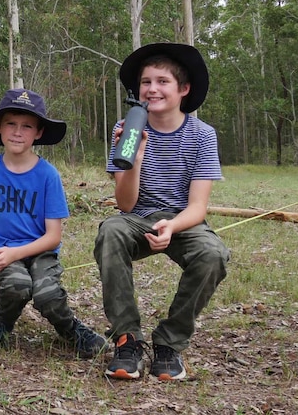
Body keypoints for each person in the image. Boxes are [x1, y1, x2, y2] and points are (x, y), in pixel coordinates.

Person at [95, 43, 230, 381]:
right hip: (136, 216)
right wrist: (135, 152)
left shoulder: (202, 135)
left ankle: (169, 343)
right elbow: (125, 204)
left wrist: (171, 225)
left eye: (162, 81)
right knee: (110, 230)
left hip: (181, 219)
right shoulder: (126, 128)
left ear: (183, 89)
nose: (152, 89)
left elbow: (198, 206)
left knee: (213, 254)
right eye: (145, 82)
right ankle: (128, 339)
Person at [0, 89, 106, 358]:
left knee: (47, 294)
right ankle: (2, 323)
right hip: (2, 249)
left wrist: (15, 254)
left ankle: (71, 329)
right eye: (11, 124)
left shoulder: (48, 175)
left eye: (27, 126)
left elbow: (53, 237)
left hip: (40, 251)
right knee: (17, 285)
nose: (18, 132)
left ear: (38, 133)